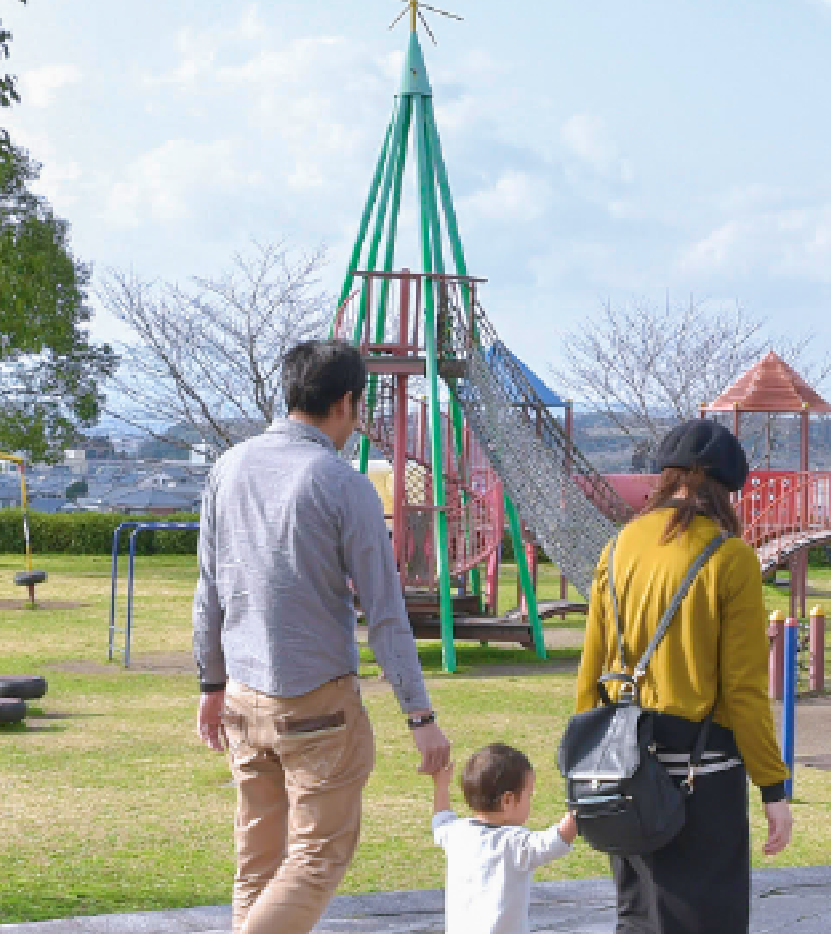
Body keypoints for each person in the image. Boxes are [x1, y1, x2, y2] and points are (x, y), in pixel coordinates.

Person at [194, 338, 453, 934]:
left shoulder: (227, 467)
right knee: (316, 858)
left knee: (257, 864)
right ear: (346, 402)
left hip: (240, 695)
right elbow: (384, 614)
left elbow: (208, 588)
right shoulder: (343, 484)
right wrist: (420, 715)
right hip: (317, 706)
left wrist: (209, 685)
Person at [571, 419, 794, 934]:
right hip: (703, 772)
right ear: (728, 488)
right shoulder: (729, 557)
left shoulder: (619, 546)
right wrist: (773, 788)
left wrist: (584, 770)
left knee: (639, 917)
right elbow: (744, 689)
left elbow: (593, 667)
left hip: (623, 766)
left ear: (665, 475)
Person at [431, 743, 579, 934]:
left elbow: (441, 819)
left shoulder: (456, 833)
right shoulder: (513, 843)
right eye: (528, 795)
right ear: (508, 801)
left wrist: (441, 786)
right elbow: (554, 840)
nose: (530, 802)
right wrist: (581, 809)